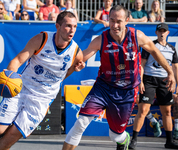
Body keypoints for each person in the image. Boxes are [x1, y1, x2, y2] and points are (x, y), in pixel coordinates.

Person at [62, 5, 176, 150]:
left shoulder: (137, 36)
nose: (115, 25)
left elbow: (154, 51)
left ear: (127, 20)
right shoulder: (101, 39)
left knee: (115, 135)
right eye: (112, 21)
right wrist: (61, 77)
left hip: (126, 92)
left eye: (119, 21)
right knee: (81, 123)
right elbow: (80, 59)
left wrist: (170, 72)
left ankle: (124, 139)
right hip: (103, 88)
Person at [0, 11, 85, 150]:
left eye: (75, 26)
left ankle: (9, 135)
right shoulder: (42, 39)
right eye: (68, 26)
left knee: (9, 140)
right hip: (23, 88)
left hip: (42, 99)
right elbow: (17, 60)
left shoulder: (76, 53)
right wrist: (9, 74)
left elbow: (63, 76)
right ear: (57, 26)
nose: (72, 30)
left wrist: (75, 70)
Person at [129, 23, 178, 149]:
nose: (162, 33)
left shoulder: (172, 49)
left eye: (164, 31)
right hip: (149, 80)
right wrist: (140, 81)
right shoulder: (150, 46)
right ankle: (134, 140)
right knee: (143, 109)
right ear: (156, 33)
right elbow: (142, 64)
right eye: (159, 31)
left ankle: (169, 141)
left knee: (167, 111)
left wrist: (177, 85)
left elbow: (175, 68)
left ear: (167, 33)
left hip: (164, 81)